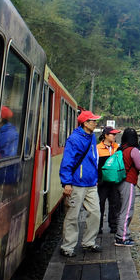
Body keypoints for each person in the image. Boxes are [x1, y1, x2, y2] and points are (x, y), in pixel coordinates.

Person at [58, 110, 103, 257]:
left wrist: (95, 178)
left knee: (96, 213)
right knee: (72, 215)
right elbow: (67, 161)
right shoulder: (74, 139)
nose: (95, 123)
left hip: (90, 183)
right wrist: (67, 183)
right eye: (93, 121)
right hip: (77, 183)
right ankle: (67, 247)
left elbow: (93, 159)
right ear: (85, 123)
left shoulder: (91, 137)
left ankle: (89, 242)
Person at [115, 127, 140, 247]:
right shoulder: (133, 150)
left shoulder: (121, 148)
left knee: (121, 209)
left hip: (120, 181)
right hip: (129, 181)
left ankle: (120, 234)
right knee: (127, 210)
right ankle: (122, 237)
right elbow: (139, 166)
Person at [96, 126, 121, 235]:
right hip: (102, 182)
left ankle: (113, 226)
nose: (115, 136)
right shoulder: (97, 148)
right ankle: (98, 227)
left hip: (114, 182)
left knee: (115, 204)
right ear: (106, 135)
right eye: (113, 134)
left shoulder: (117, 148)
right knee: (100, 204)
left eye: (115, 134)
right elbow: (95, 165)